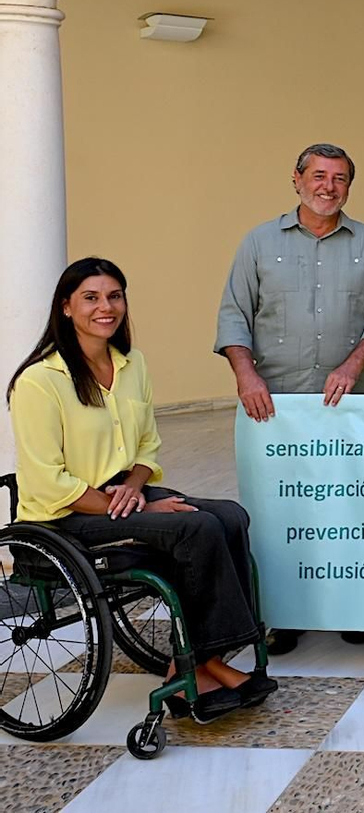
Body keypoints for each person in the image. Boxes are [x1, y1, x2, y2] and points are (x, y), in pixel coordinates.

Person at [10, 258, 276, 724]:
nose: (105, 307)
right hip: (65, 516)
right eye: (91, 298)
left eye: (114, 296)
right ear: (66, 307)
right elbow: (48, 481)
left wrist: (137, 488)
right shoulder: (40, 381)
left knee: (231, 514)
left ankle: (205, 656)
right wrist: (126, 507)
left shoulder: (131, 365)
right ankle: (198, 663)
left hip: (120, 495)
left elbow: (147, 447)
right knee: (193, 527)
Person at [215, 142, 364, 652]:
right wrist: (245, 374)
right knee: (281, 513)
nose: (328, 187)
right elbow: (234, 316)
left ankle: (354, 605)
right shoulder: (258, 243)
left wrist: (353, 363)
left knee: (353, 506)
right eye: (318, 176)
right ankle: (284, 614)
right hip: (275, 408)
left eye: (339, 178)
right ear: (296, 179)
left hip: (352, 406)